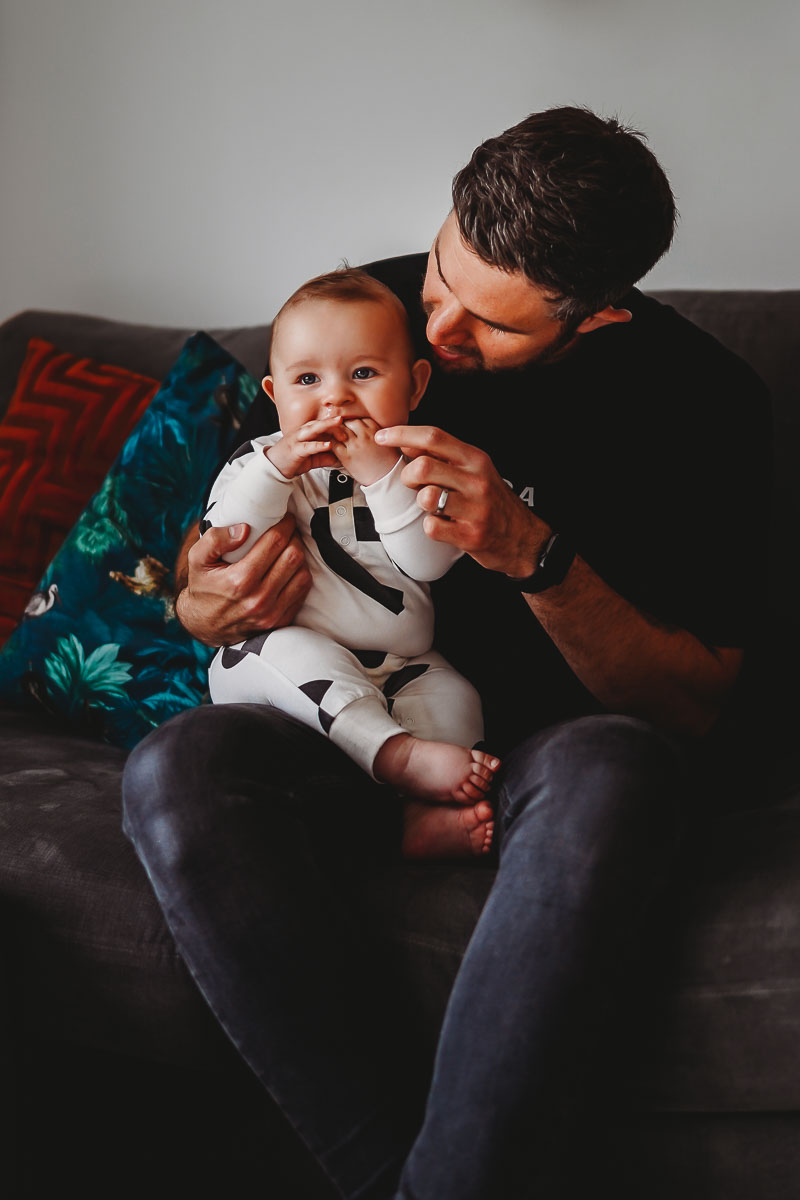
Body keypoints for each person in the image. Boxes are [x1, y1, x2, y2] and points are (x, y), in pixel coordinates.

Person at [121, 106, 771, 1199]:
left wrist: (529, 555)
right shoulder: (364, 314)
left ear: (599, 314)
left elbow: (695, 703)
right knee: (178, 766)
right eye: (440, 279)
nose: (440, 340)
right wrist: (204, 597)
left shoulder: (708, 407)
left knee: (614, 769)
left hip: (549, 750)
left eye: (493, 328)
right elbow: (232, 507)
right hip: (344, 719)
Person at [205, 268, 499, 858]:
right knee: (292, 653)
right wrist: (278, 468)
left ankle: (421, 817)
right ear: (275, 396)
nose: (334, 398)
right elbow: (229, 544)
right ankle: (398, 757)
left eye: (363, 373)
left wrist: (381, 476)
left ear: (415, 387)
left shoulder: (419, 465)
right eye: (307, 379)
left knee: (454, 696)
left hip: (401, 659)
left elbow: (430, 561)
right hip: (278, 658)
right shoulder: (257, 464)